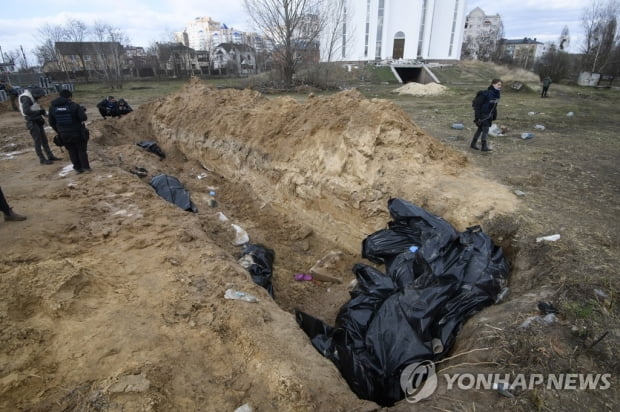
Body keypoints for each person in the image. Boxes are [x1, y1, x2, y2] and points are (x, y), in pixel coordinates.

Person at [49, 89, 91, 174]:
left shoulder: (52, 107)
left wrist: (59, 131)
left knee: (71, 150)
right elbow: (83, 118)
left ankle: (77, 168)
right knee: (81, 150)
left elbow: (51, 122)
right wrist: (82, 110)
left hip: (64, 134)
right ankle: (85, 168)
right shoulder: (74, 105)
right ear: (70, 97)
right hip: (77, 132)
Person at [18, 86, 62, 164]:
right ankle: (42, 159)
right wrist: (39, 112)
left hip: (37, 119)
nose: (40, 98)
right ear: (36, 94)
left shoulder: (32, 97)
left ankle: (50, 155)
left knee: (44, 140)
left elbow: (37, 108)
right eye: (40, 96)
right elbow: (26, 111)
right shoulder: (26, 98)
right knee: (37, 141)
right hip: (31, 121)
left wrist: (47, 114)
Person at [471, 78, 502, 152]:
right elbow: (477, 106)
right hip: (483, 115)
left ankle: (473, 144)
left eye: (501, 85)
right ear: (493, 84)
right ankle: (484, 146)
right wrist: (477, 117)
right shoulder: (485, 93)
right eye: (498, 84)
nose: (500, 86)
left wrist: (494, 115)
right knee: (486, 129)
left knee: (480, 129)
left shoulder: (497, 95)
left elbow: (494, 106)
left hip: (489, 115)